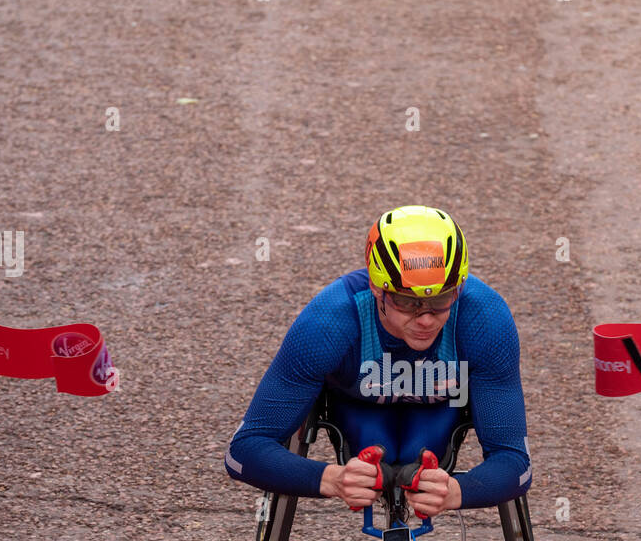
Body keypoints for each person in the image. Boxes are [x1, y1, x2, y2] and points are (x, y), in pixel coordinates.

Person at [225, 205, 531, 518]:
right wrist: (331, 479)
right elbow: (243, 451)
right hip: (357, 408)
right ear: (375, 287)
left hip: (441, 411)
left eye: (440, 300)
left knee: (413, 456)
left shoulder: (486, 319)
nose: (425, 319)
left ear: (459, 287)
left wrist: (457, 492)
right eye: (406, 301)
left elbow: (515, 462)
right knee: (384, 460)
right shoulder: (328, 322)